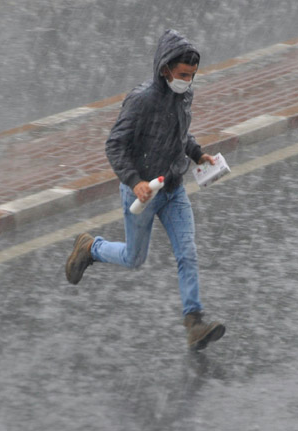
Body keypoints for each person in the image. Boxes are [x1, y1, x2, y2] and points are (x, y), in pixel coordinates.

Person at [65, 29, 225, 351]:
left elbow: (179, 134)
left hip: (173, 189)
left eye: (192, 76)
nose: (187, 81)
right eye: (182, 75)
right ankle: (90, 247)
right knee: (133, 258)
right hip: (142, 193)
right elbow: (114, 145)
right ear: (165, 68)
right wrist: (134, 180)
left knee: (188, 252)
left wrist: (196, 154)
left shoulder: (184, 95)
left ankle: (194, 322)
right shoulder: (141, 100)